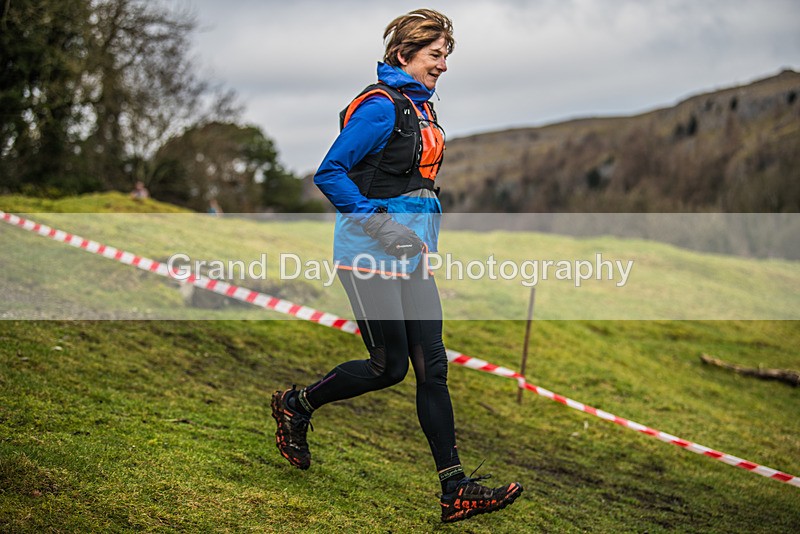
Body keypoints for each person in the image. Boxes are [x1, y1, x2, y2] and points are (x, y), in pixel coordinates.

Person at [270, 9, 522, 523]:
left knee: (434, 366)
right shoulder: (382, 107)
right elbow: (330, 172)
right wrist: (380, 225)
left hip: (412, 255)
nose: (443, 65)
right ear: (404, 55)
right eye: (435, 55)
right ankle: (297, 404)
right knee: (388, 367)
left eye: (446, 55)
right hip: (368, 251)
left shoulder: (421, 109)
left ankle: (455, 489)